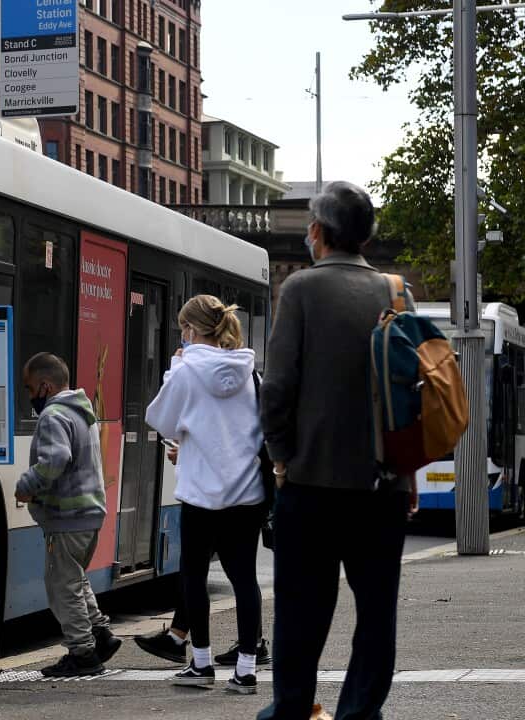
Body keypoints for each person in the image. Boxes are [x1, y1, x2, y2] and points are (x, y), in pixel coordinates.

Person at [257, 182, 418, 720]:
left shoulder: (301, 289)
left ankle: (291, 709)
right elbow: (409, 396)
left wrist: (281, 456)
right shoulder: (397, 292)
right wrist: (407, 471)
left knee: (301, 610)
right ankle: (359, 712)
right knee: (376, 611)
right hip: (383, 483)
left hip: (311, 483)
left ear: (318, 232)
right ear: (367, 237)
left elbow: (278, 387)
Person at [145, 295, 266, 695]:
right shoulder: (249, 373)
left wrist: (174, 367)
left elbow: (160, 420)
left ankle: (201, 662)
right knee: (244, 579)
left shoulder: (187, 371)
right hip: (246, 492)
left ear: (190, 329)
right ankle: (246, 669)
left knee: (194, 577)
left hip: (201, 494)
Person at [14, 352, 122, 677]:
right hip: (89, 513)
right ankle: (100, 634)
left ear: (45, 386)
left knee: (62, 587)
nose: (29, 395)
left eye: (30, 388)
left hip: (67, 516)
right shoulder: (81, 412)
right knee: (74, 579)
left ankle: (83, 654)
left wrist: (27, 485)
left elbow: (56, 458)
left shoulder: (53, 415)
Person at [134, 439, 272, 668]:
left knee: (204, 572)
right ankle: (182, 639)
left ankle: (204, 657)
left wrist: (188, 456)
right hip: (245, 497)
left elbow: (229, 447)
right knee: (221, 573)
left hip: (225, 498)